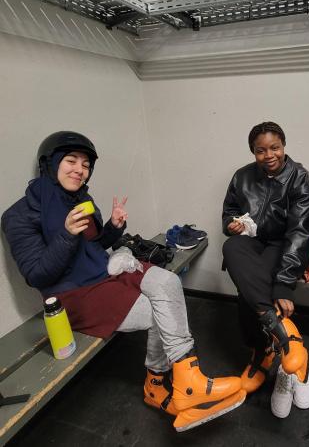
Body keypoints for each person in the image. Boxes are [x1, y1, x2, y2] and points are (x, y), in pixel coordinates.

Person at [1, 131, 245, 433]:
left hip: (105, 271)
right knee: (159, 313)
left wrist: (114, 228)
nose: (80, 170)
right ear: (50, 164)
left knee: (168, 282)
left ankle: (187, 378)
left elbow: (94, 246)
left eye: (86, 165)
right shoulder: (18, 216)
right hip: (73, 295)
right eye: (71, 161)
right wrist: (65, 235)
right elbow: (37, 275)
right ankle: (157, 385)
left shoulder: (81, 199)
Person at [221, 121, 309, 417]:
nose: (269, 155)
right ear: (253, 151)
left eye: (274, 148)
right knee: (231, 247)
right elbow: (229, 212)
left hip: (284, 245)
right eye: (260, 150)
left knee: (247, 289)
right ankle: (283, 334)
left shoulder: (300, 178)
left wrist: (284, 284)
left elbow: (300, 233)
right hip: (251, 241)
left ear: (283, 146)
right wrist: (231, 224)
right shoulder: (242, 176)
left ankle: (263, 350)